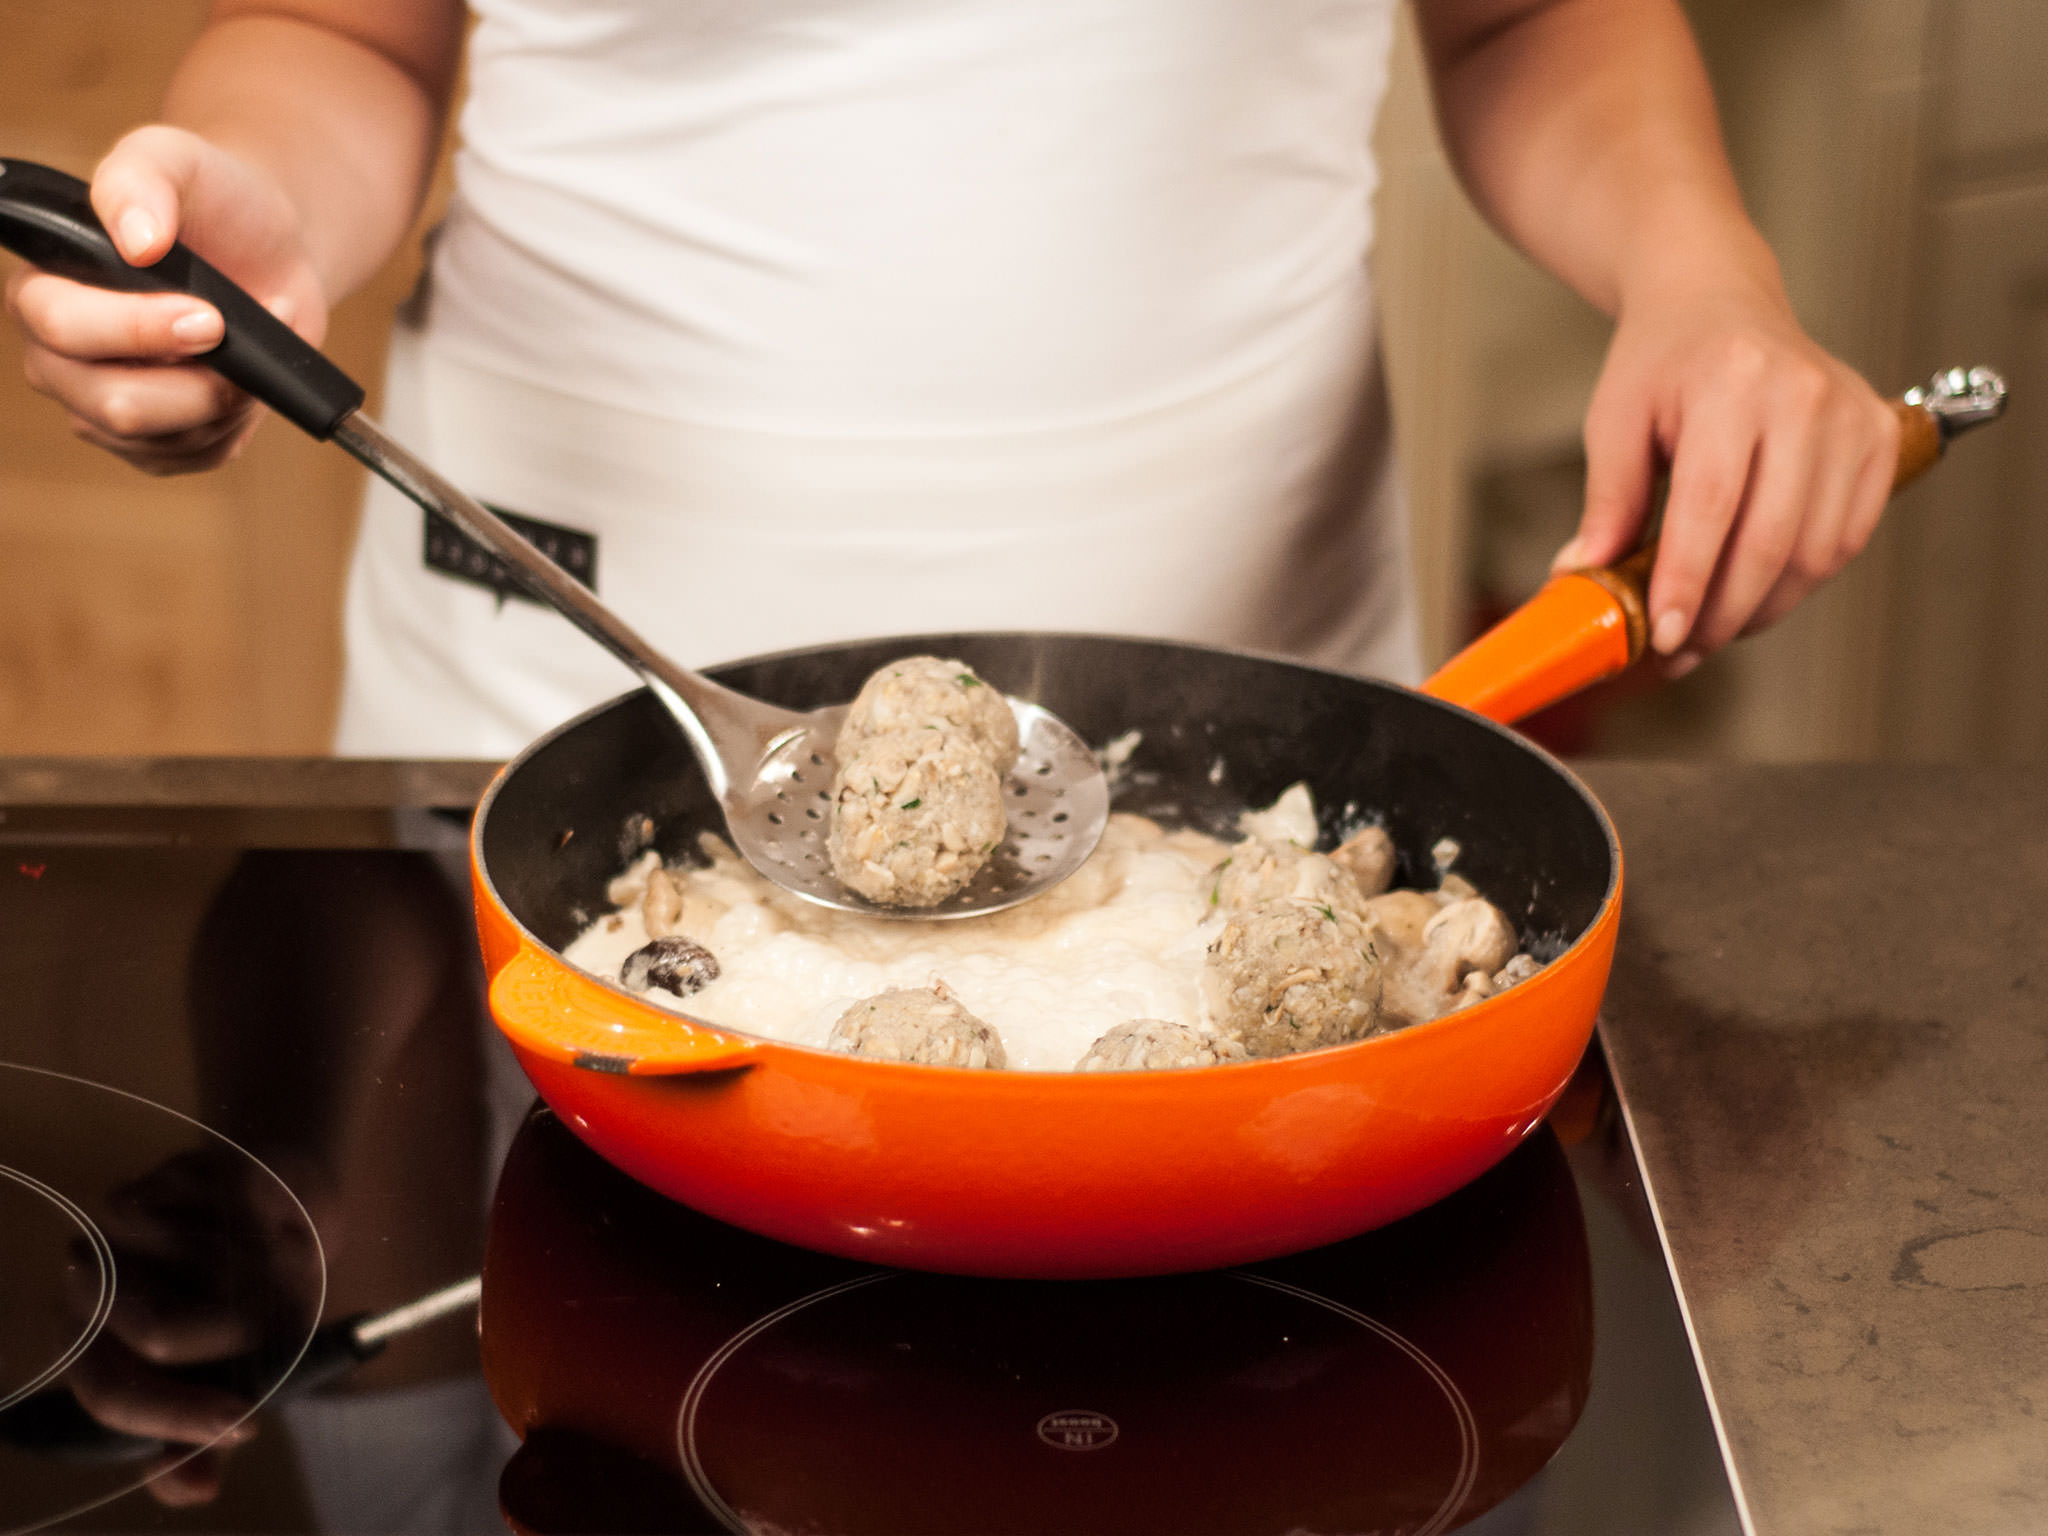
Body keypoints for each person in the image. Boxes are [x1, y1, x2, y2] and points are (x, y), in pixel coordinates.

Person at [5, 0, 1900, 758]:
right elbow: (344, 29)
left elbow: (1524, 12)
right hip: (543, 741)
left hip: (1252, 759)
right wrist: (272, 208)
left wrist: (1699, 270)